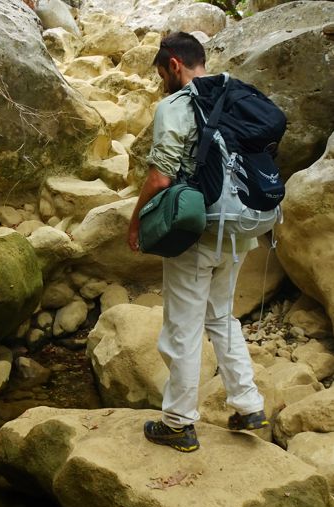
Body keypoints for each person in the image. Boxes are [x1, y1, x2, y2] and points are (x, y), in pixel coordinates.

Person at [127, 32, 269, 453]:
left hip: (200, 231)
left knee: (182, 328)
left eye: (160, 74)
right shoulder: (236, 94)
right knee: (221, 317)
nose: (161, 84)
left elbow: (161, 175)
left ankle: (177, 424)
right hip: (241, 226)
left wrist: (135, 223)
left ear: (173, 64)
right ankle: (248, 405)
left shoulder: (177, 105)